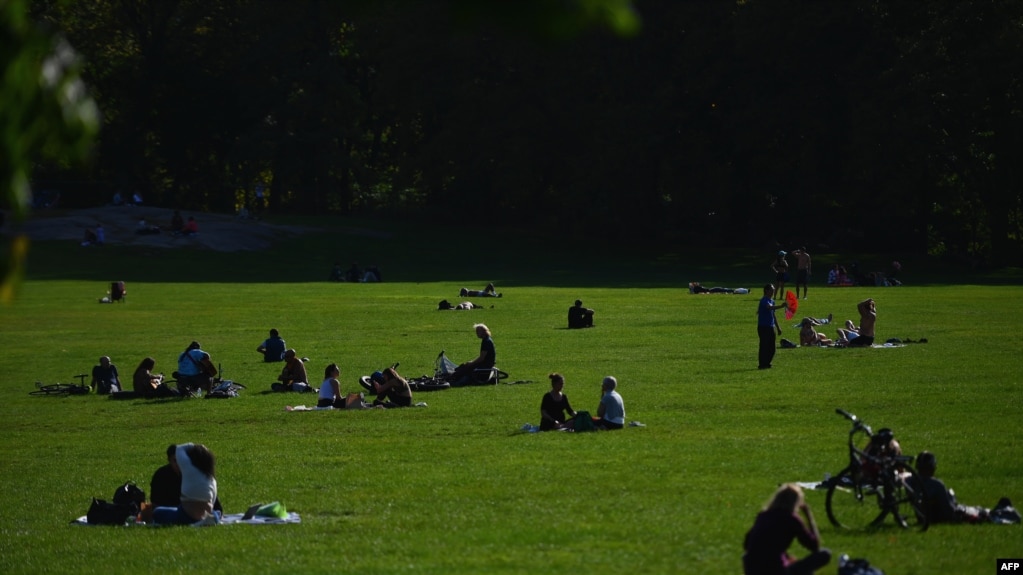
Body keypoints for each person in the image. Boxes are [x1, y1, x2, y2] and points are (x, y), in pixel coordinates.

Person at [742, 483, 831, 575]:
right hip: (775, 570)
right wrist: (808, 515)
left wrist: (785, 557)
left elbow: (747, 544)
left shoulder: (763, 516)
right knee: (824, 554)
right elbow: (814, 546)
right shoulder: (791, 519)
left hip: (751, 568)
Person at [151, 443, 220, 525]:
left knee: (157, 513)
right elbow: (213, 500)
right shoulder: (211, 478)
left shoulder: (188, 469)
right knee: (217, 513)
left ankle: (197, 522)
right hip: (205, 514)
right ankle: (209, 519)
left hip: (186, 515)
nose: (178, 464)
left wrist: (194, 446)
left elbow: (179, 449)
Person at [757, 284, 787, 370]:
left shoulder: (772, 301)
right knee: (764, 346)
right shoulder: (764, 300)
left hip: (771, 326)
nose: (773, 292)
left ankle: (767, 362)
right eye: (771, 290)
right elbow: (769, 308)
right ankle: (762, 364)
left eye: (773, 290)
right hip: (763, 327)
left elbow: (773, 315)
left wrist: (778, 327)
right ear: (766, 291)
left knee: (772, 347)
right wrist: (781, 306)